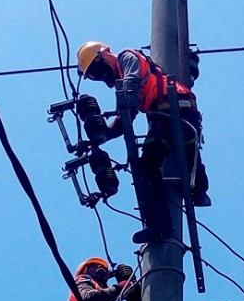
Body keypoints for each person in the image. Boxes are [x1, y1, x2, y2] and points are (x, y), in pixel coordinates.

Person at [76, 41, 210, 243]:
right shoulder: (132, 82)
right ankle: (200, 190)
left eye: (97, 70)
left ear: (103, 55)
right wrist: (106, 133)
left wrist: (123, 100)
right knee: (187, 151)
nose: (102, 77)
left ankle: (161, 224)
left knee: (147, 167)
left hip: (167, 109)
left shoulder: (126, 57)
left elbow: (131, 84)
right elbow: (128, 115)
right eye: (95, 76)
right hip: (181, 111)